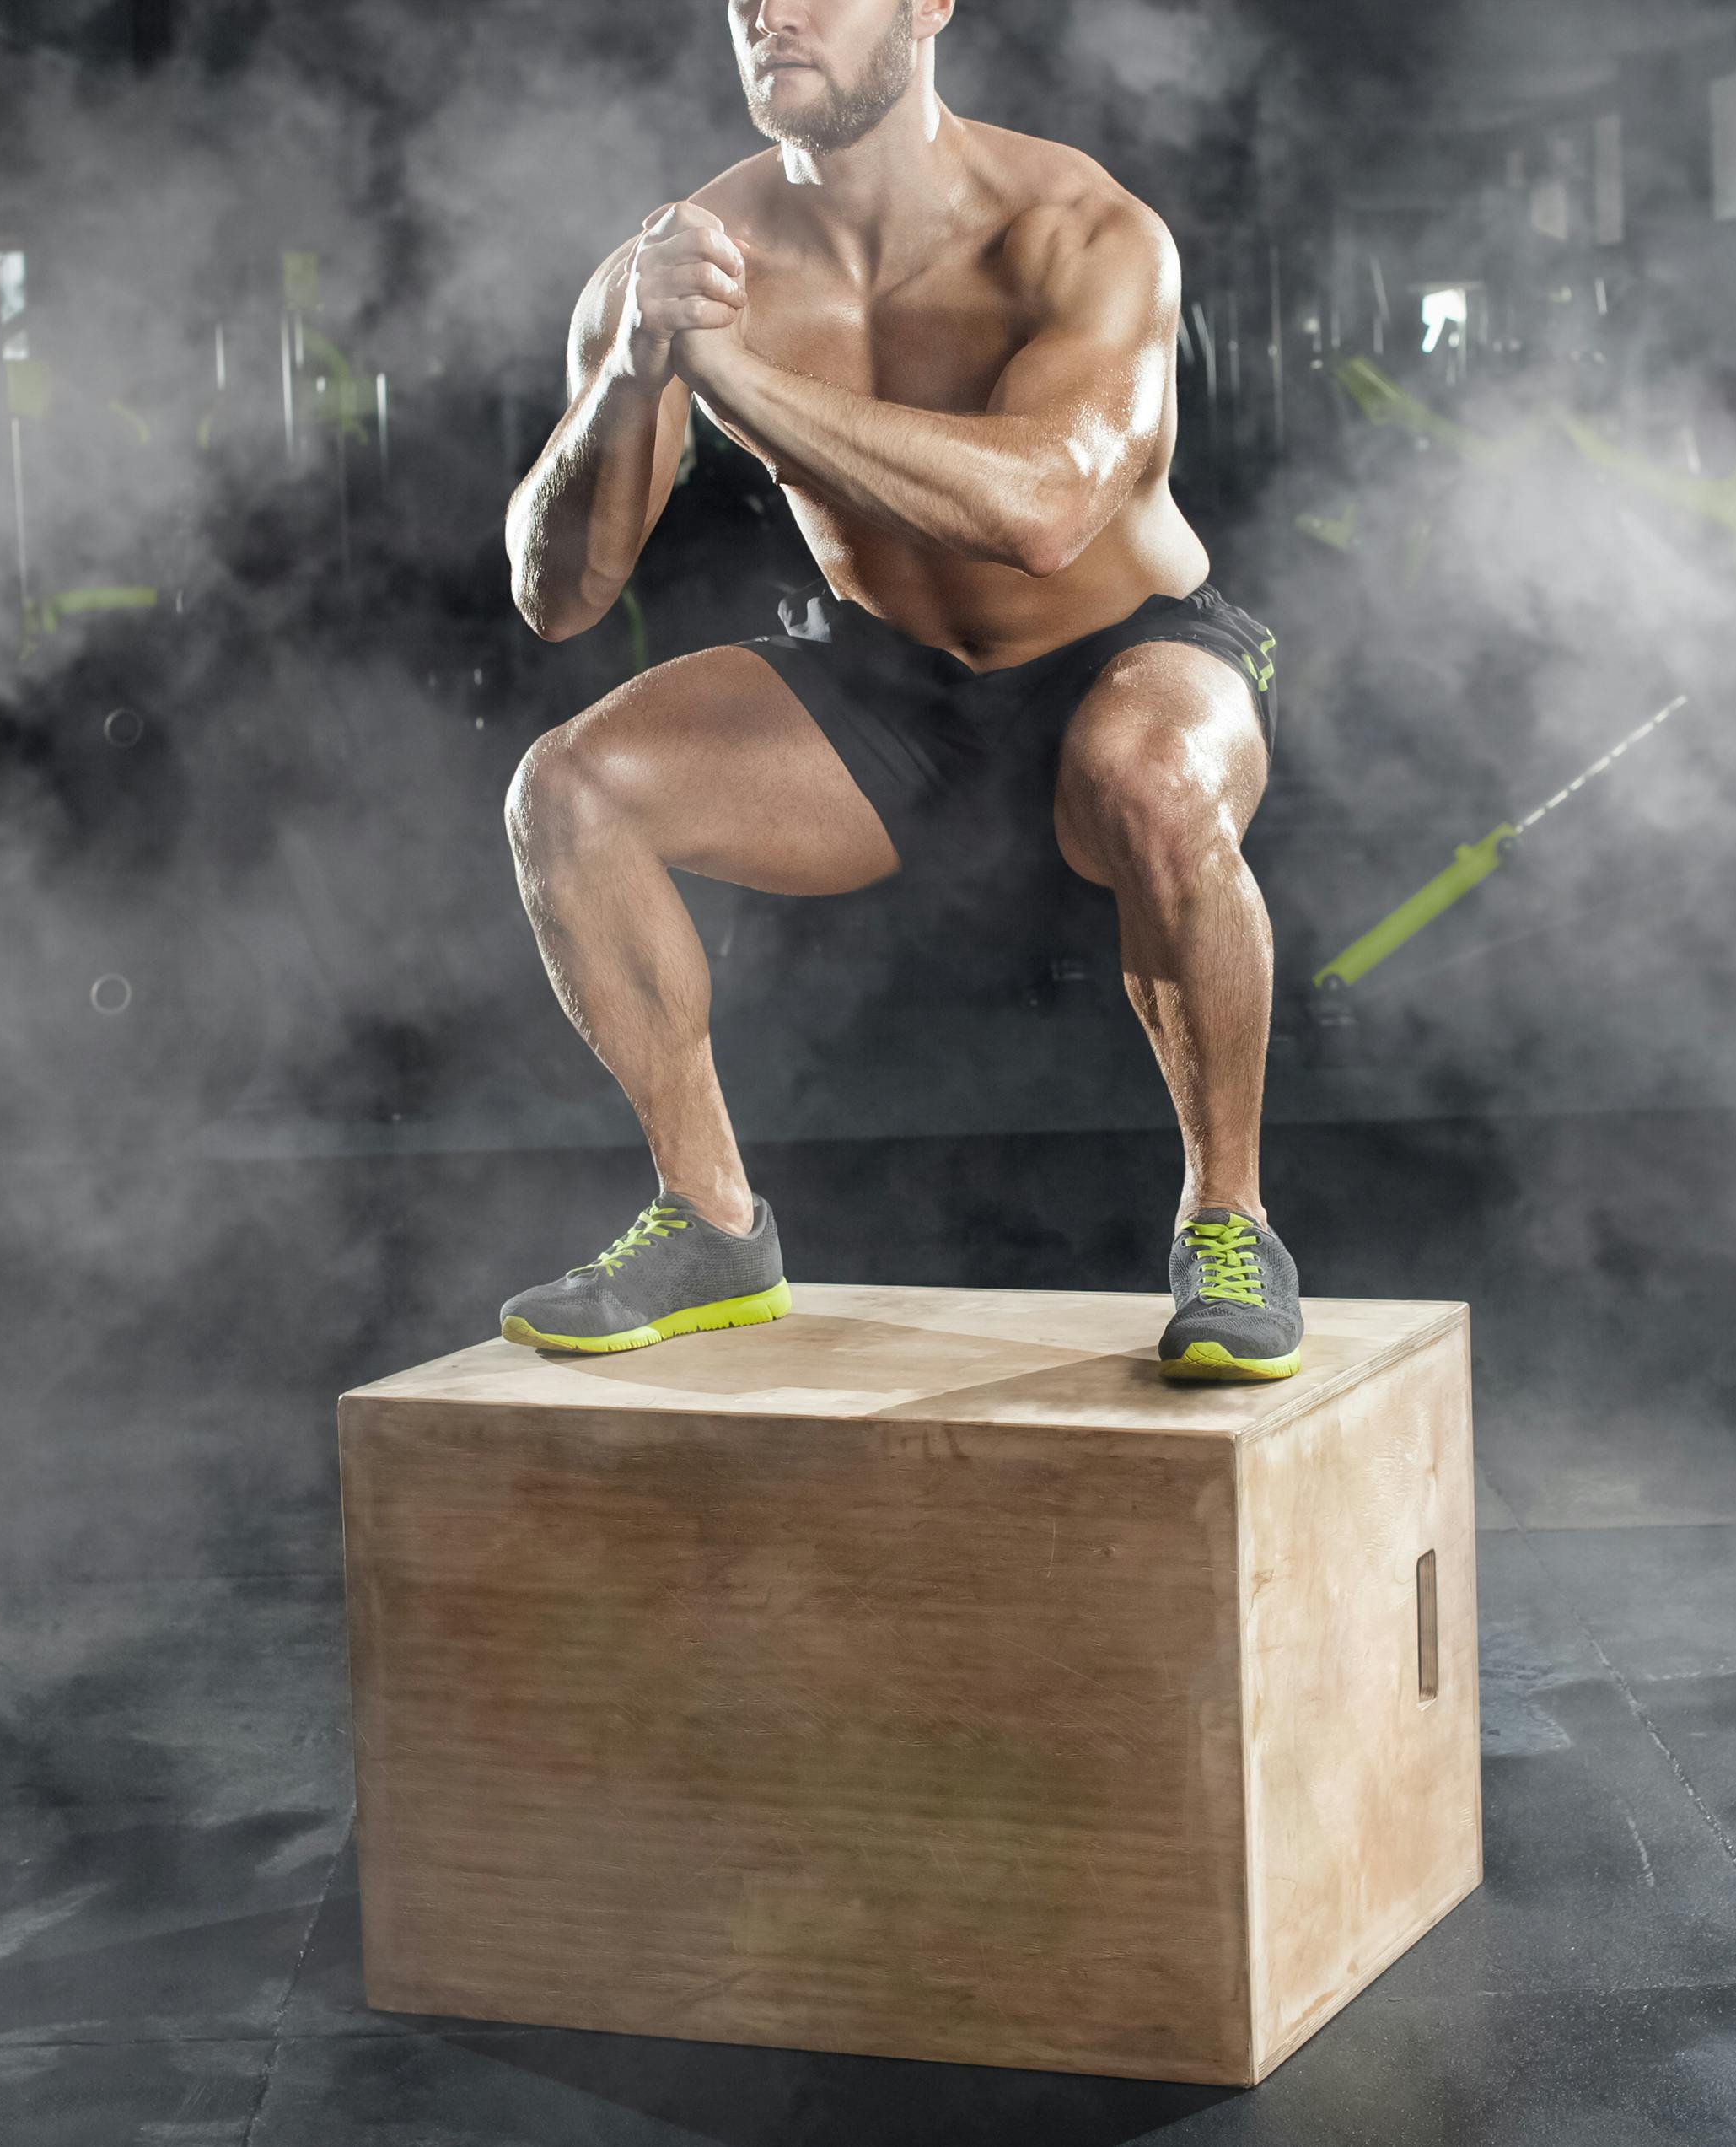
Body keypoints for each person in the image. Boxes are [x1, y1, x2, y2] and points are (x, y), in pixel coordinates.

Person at [493, 0, 1298, 1380]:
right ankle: (710, 1222)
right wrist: (634, 372)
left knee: (1151, 775)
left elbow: (1045, 510)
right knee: (566, 791)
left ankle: (1231, 1224)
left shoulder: (1082, 231)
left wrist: (730, 375)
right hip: (891, 684)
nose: (774, 12)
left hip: (1133, 650)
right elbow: (555, 595)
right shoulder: (686, 261)